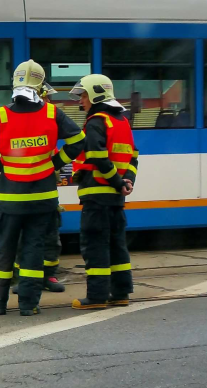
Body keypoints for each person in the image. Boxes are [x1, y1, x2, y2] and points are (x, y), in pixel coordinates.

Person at [0, 60, 85, 316]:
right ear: (40, 84)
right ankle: (29, 305)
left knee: (3, 250)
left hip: (10, 198)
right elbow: (78, 140)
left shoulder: (1, 115)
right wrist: (55, 161)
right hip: (41, 200)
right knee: (34, 251)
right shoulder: (52, 114)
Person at [68, 74, 139, 310]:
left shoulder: (97, 121)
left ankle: (97, 296)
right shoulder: (122, 121)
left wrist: (118, 182)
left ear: (96, 94)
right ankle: (120, 293)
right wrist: (127, 181)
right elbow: (133, 157)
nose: (81, 101)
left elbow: (97, 157)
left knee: (95, 244)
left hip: (97, 196)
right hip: (116, 199)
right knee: (117, 244)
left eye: (84, 95)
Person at [13, 82, 67, 294]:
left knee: (50, 238)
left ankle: (49, 275)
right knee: (25, 239)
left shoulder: (48, 121)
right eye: (47, 97)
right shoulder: (21, 121)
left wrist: (55, 167)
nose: (49, 102)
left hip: (46, 193)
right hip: (24, 193)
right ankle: (24, 279)